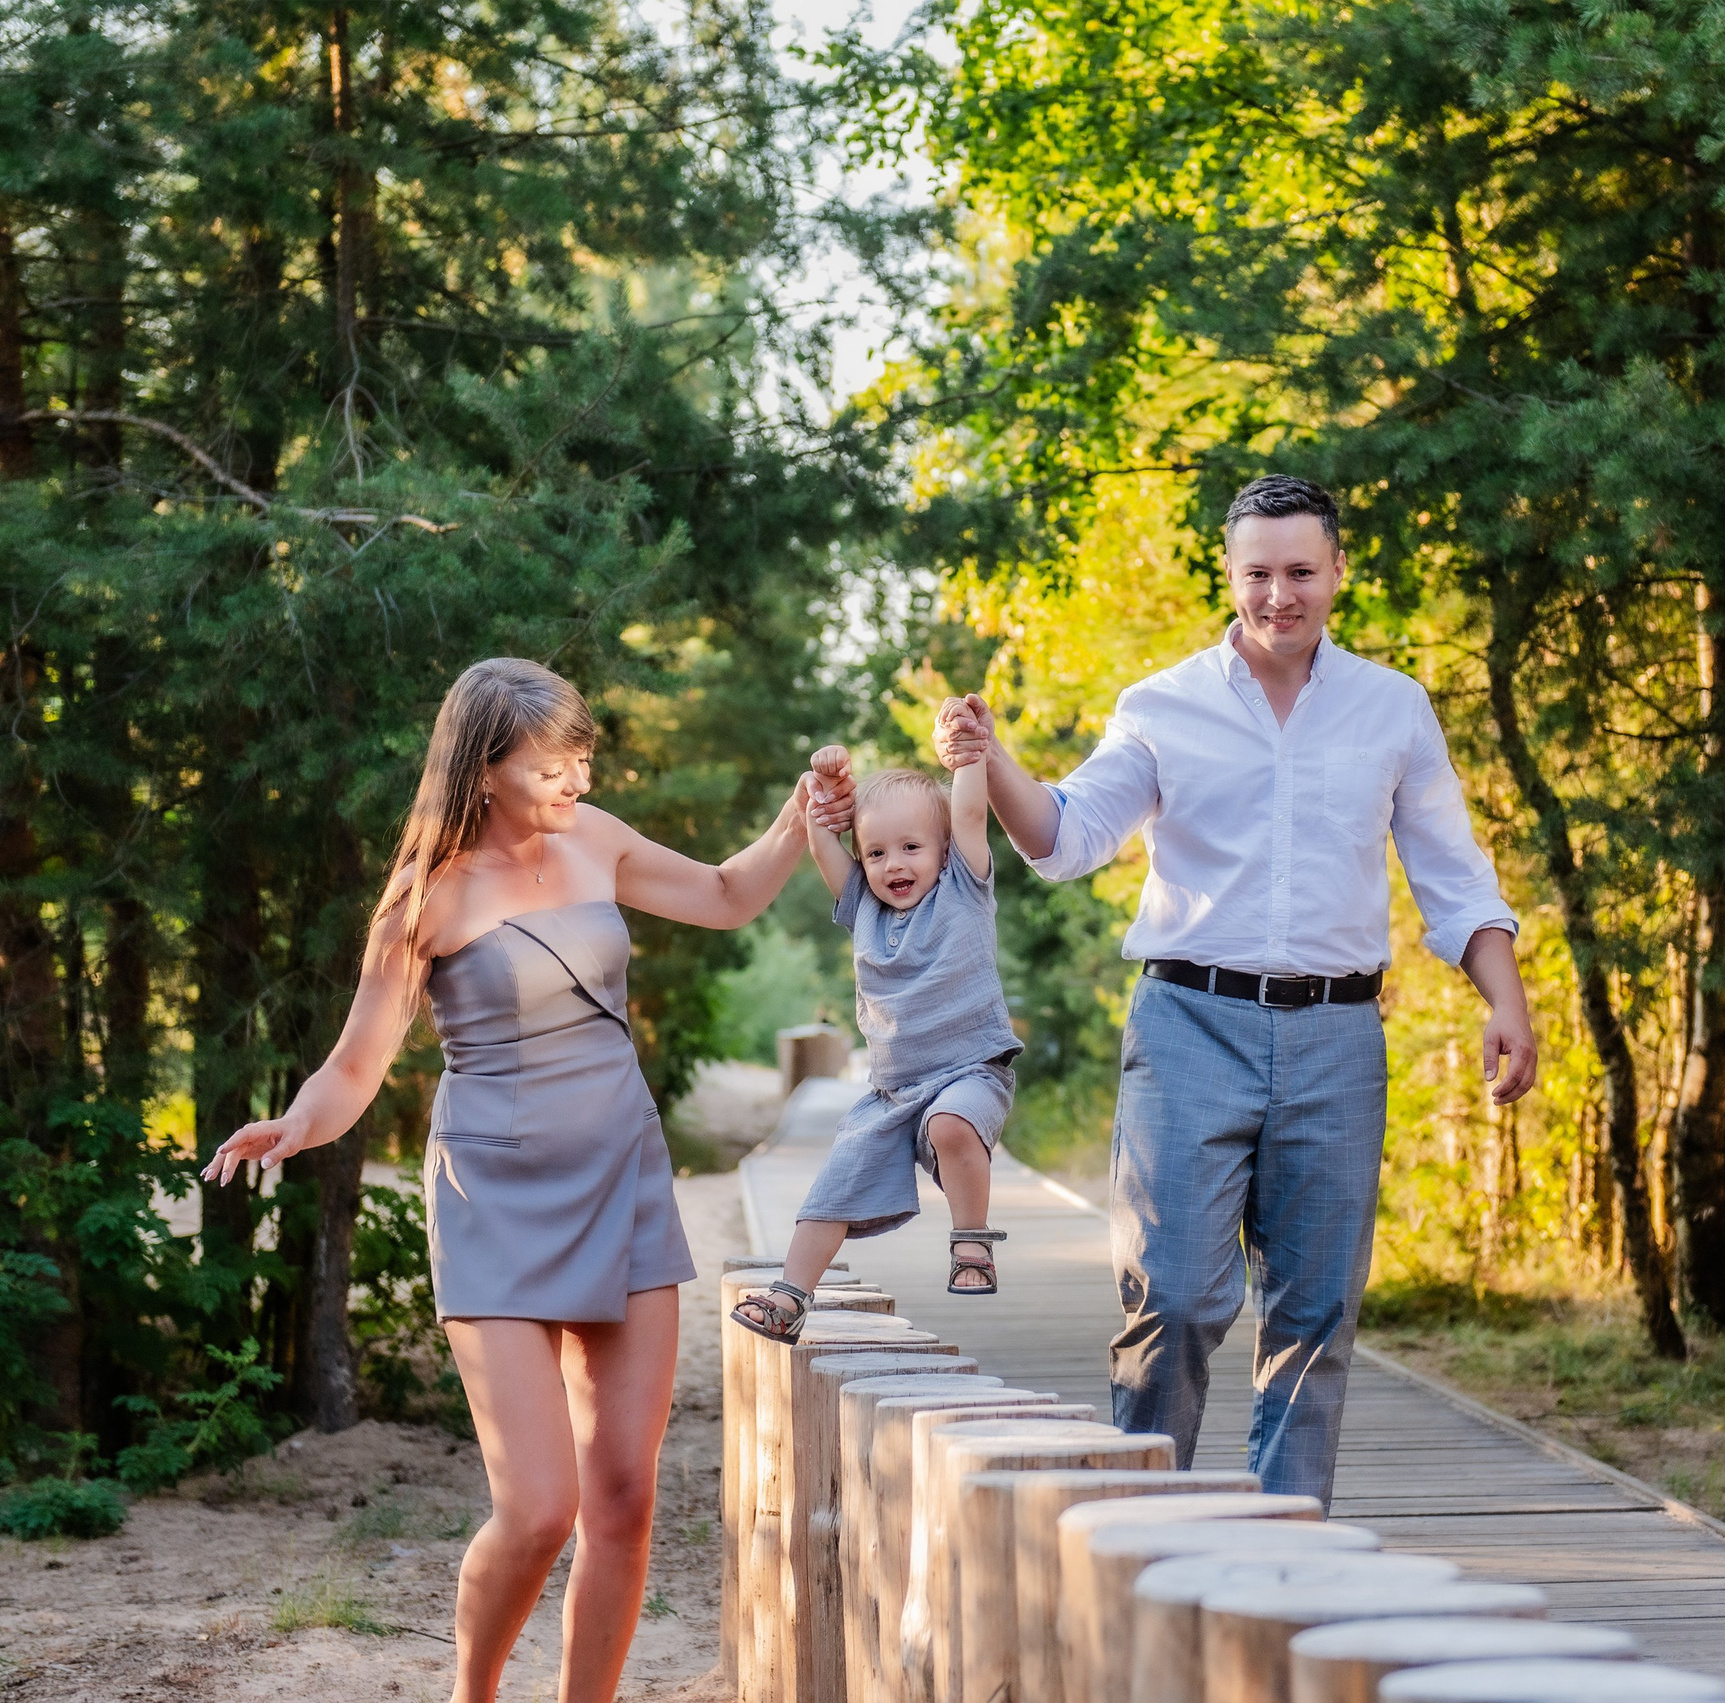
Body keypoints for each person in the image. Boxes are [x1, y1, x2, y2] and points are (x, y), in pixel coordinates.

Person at [199, 657, 850, 1703]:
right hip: (494, 1198)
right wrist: (296, 1122)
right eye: (553, 763)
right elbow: (357, 1061)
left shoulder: (595, 839)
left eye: (582, 757)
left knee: (625, 1495)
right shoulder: (427, 897)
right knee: (541, 1505)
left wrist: (794, 815)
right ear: (484, 765)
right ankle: (476, 1692)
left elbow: (728, 896)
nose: (576, 779)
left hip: (623, 1179)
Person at [932, 474, 1539, 1506]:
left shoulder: (1391, 708)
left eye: (1301, 570)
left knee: (1314, 1316)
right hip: (1188, 1024)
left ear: (1338, 571)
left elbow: (1452, 873)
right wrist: (991, 762)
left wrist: (1506, 999)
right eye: (1258, 572)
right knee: (1170, 1296)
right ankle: (1137, 1529)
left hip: (1339, 1033)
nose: (1278, 595)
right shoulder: (1162, 705)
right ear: (1230, 573)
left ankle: (1284, 1551)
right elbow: (1065, 836)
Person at [730, 740, 1019, 1340]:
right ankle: (791, 1296)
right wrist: (827, 781)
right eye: (877, 853)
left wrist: (968, 753)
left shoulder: (964, 888)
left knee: (952, 1125)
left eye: (912, 848)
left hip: (971, 1071)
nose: (894, 865)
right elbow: (820, 842)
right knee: (834, 1185)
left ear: (944, 851)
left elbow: (968, 812)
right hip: (891, 1090)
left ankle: (972, 1242)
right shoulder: (863, 905)